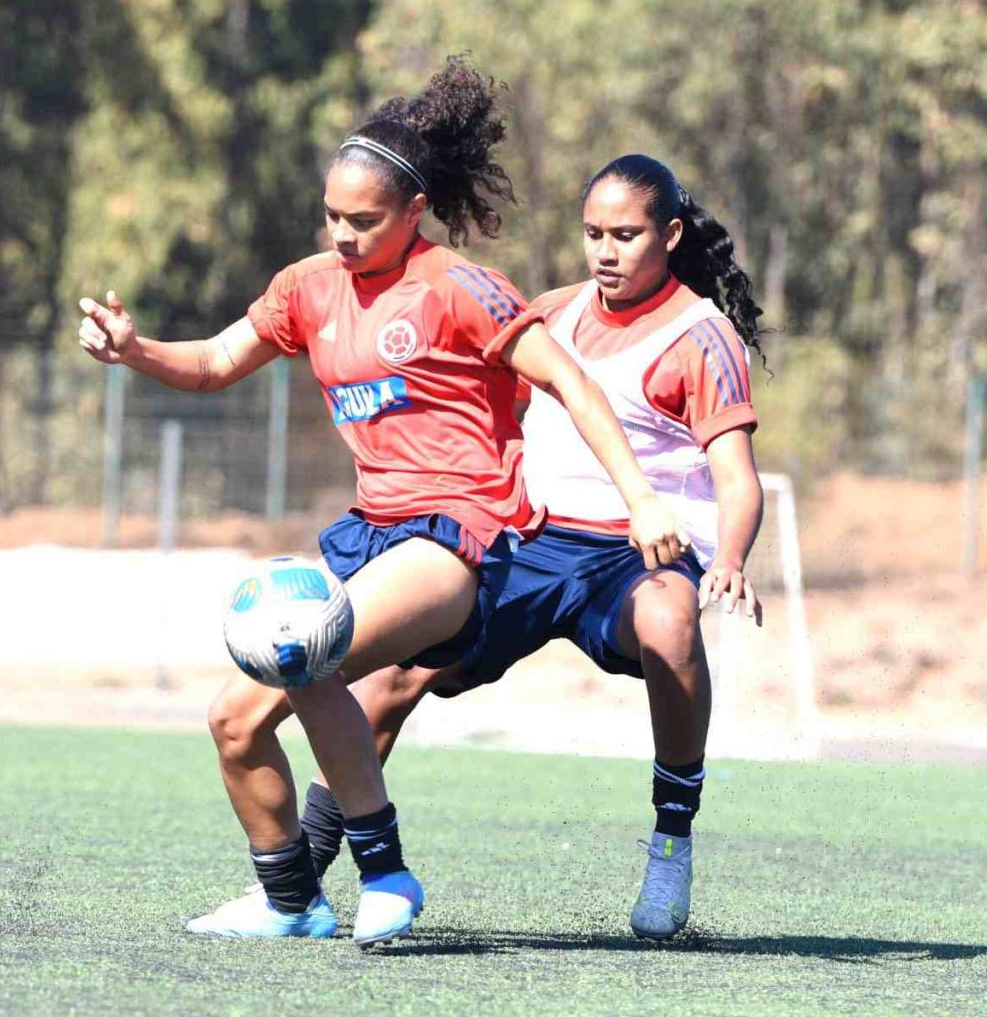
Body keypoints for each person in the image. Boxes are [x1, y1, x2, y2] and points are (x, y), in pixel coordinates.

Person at [78, 65, 686, 946]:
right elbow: (213, 363)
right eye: (332, 216)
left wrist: (641, 499)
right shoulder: (308, 287)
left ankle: (385, 870)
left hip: (461, 537)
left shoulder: (459, 289)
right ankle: (290, 897)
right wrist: (135, 351)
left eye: (364, 221)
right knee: (234, 720)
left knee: (305, 649)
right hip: (370, 532)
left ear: (415, 210)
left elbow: (574, 385)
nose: (344, 236)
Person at [295, 153, 766, 941]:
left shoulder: (703, 337)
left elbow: (738, 479)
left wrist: (729, 558)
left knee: (672, 623)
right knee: (391, 679)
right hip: (527, 540)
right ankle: (302, 874)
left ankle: (672, 839)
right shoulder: (551, 310)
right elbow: (479, 410)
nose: (605, 252)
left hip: (633, 555)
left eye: (626, 234)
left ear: (671, 234)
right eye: (593, 234)